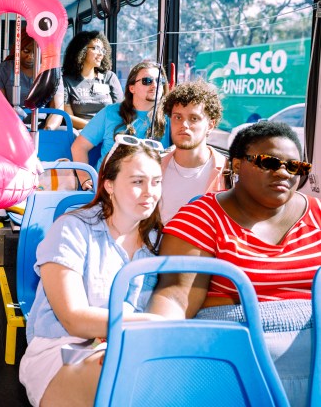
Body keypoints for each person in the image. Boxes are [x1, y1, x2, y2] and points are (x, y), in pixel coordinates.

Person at [149, 121, 317, 406]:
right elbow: (177, 295)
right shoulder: (202, 217)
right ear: (237, 165)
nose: (283, 173)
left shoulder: (317, 213)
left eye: (295, 166)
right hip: (238, 357)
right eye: (269, 162)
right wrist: (155, 346)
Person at [19, 137, 164, 407]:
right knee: (120, 374)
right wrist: (150, 325)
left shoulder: (158, 241)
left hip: (129, 347)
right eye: (137, 181)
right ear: (109, 185)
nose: (149, 192)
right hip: (63, 347)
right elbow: (74, 319)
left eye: (156, 182)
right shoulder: (71, 229)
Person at [72, 61, 171, 185]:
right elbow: (79, 146)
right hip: (110, 189)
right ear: (132, 88)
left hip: (152, 189)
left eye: (160, 81)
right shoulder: (110, 113)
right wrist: (85, 179)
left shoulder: (171, 117)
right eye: (147, 81)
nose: (155, 85)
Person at [159, 80, 228, 220]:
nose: (184, 125)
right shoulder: (155, 167)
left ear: (210, 125)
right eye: (178, 117)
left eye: (194, 118)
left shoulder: (228, 172)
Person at [0, 28, 65, 130]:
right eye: (26, 51)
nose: (30, 57)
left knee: (69, 134)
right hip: (12, 125)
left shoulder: (51, 72)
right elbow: (0, 107)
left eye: (36, 52)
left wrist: (48, 130)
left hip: (43, 125)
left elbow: (58, 110)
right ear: (17, 49)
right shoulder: (0, 71)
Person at [62, 31, 123, 131]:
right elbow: (68, 117)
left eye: (102, 50)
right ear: (81, 50)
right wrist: (94, 128)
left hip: (108, 130)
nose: (100, 54)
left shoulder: (109, 77)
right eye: (95, 48)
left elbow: (120, 110)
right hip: (81, 132)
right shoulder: (66, 81)